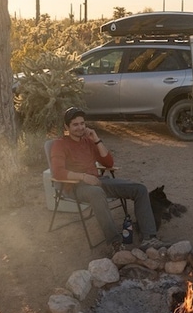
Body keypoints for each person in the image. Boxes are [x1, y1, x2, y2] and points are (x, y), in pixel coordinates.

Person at [51, 107, 159, 252]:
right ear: (66, 127)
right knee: (96, 193)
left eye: (82, 123)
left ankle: (149, 238)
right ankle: (115, 242)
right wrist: (83, 176)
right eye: (75, 124)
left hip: (97, 181)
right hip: (76, 186)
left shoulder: (88, 141)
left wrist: (96, 140)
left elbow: (108, 164)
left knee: (139, 189)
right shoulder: (60, 144)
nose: (80, 127)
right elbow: (58, 172)